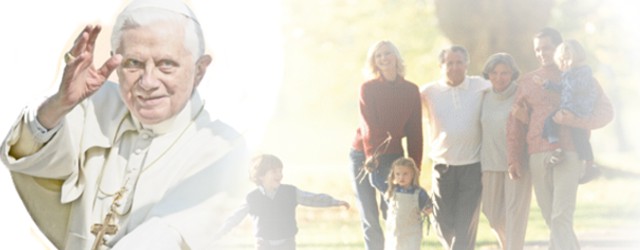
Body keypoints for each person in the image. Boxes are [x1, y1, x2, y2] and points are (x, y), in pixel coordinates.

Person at [0, 0, 249, 249]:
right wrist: (59, 105)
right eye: (133, 63)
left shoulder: (223, 149)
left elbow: (167, 234)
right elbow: (26, 157)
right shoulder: (93, 106)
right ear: (115, 64)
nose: (148, 82)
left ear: (199, 70)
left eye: (166, 64)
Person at [507, 28, 613, 250]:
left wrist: (576, 120)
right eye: (537, 49)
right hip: (537, 152)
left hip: (570, 151)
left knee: (560, 217)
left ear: (560, 47)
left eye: (547, 47)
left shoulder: (581, 76)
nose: (542, 53)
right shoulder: (527, 82)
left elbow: (606, 112)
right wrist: (514, 158)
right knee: (550, 218)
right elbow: (515, 124)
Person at [350, 40, 423, 250]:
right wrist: (372, 158)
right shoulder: (368, 88)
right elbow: (368, 125)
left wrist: (414, 166)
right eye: (378, 55)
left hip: (394, 158)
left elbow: (415, 132)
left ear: (396, 57)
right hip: (363, 156)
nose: (383, 58)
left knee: (391, 209)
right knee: (370, 215)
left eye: (387, 53)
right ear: (374, 61)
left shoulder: (411, 90)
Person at [421, 45, 490, 250]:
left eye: (459, 62)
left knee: (465, 226)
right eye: (449, 63)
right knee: (442, 223)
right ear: (441, 66)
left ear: (466, 64)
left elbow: (506, 90)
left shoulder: (481, 85)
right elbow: (403, 105)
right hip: (443, 166)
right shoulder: (428, 92)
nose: (454, 67)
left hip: (473, 165)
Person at [214, 154, 349, 250]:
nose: (280, 175)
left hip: (287, 243)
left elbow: (311, 199)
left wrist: (334, 202)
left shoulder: (290, 192)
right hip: (263, 245)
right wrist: (221, 231)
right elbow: (236, 217)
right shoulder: (252, 198)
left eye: (280, 171)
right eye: (274, 171)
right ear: (261, 176)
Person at [479, 53, 532, 250]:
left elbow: (536, 127)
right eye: (494, 73)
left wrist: (525, 118)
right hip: (490, 163)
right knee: (492, 215)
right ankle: (508, 245)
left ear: (512, 74)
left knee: (515, 216)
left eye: (504, 73)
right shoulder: (484, 96)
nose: (499, 77)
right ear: (488, 74)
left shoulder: (522, 95)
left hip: (517, 164)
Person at [536, 39, 601, 183]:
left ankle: (590, 166)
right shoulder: (568, 75)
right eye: (562, 62)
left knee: (580, 137)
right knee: (550, 121)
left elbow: (580, 89)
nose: (564, 64)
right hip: (569, 107)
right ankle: (556, 147)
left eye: (567, 60)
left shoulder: (584, 73)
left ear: (576, 58)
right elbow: (563, 88)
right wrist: (547, 84)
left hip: (579, 109)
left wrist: (571, 112)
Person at [382, 157, 432, 250]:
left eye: (405, 174)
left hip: (412, 233)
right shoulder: (392, 191)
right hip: (394, 232)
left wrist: (427, 209)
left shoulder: (419, 192)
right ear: (393, 175)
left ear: (412, 174)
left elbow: (428, 206)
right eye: (398, 174)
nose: (401, 177)